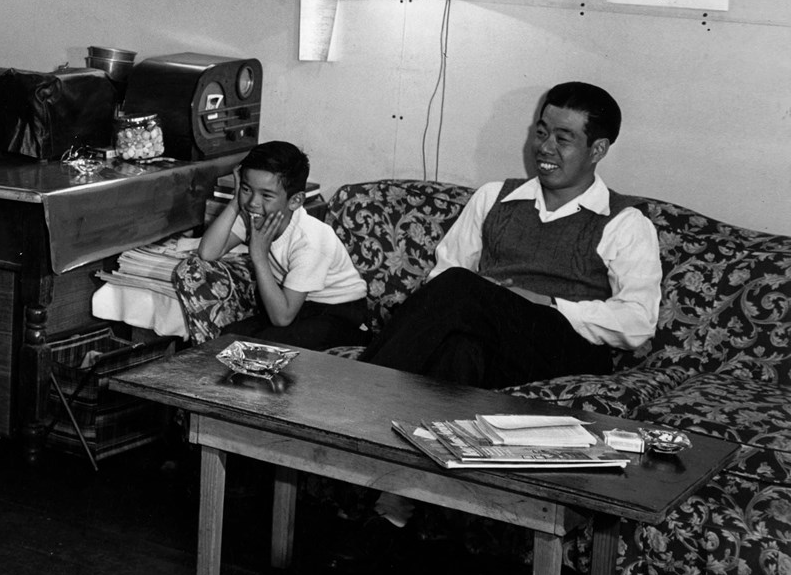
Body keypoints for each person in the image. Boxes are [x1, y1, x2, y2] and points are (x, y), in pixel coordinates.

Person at [360, 81, 662, 389]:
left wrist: (548, 303)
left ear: (597, 149)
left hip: (567, 348)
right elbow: (442, 281)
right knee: (460, 349)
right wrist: (490, 301)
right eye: (541, 133)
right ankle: (418, 417)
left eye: (563, 139)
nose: (545, 147)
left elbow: (638, 321)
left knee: (460, 286)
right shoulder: (493, 197)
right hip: (494, 341)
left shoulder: (625, 222)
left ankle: (361, 387)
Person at [172, 141, 371, 350]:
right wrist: (236, 200)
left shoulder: (310, 240)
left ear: (295, 201)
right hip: (295, 305)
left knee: (265, 347)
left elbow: (282, 318)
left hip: (340, 314)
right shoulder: (254, 215)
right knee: (229, 338)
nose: (253, 202)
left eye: (266, 195)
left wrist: (259, 255)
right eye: (247, 189)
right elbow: (208, 252)